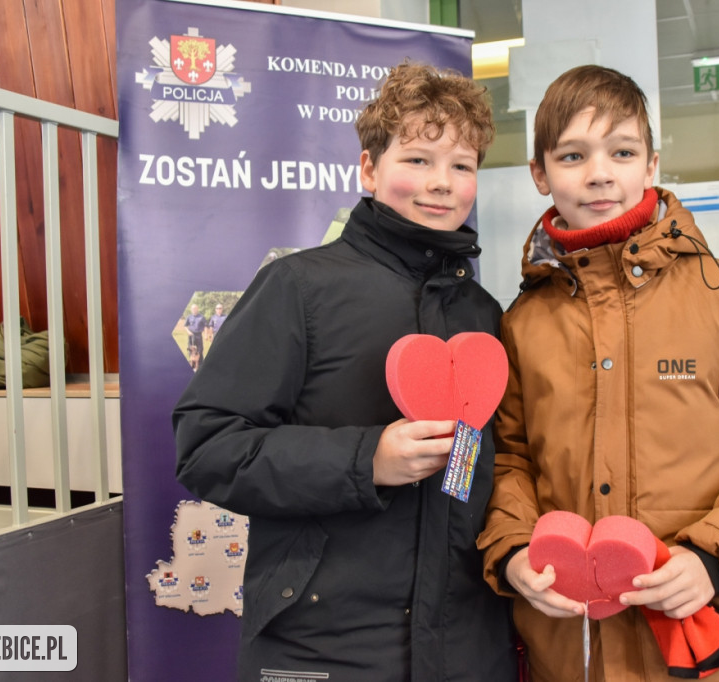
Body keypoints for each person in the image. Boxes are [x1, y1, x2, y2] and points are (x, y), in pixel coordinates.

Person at [475, 64, 719, 682]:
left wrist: (713, 557)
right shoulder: (523, 321)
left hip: (697, 641)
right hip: (568, 647)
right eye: (572, 155)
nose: (599, 174)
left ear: (651, 164)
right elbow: (509, 462)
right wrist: (510, 552)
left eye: (622, 151)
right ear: (540, 173)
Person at [173, 61, 518, 680]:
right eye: (417, 159)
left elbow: (484, 467)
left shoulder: (482, 313)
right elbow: (208, 446)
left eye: (461, 166)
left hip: (465, 645)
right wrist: (368, 461)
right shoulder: (298, 287)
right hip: (322, 645)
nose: (442, 183)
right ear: (369, 168)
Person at [183, 303, 206, 370]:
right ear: (191, 309)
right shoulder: (189, 317)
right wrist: (188, 332)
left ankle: (201, 365)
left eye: (195, 308)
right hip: (191, 335)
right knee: (190, 349)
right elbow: (185, 326)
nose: (194, 310)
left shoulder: (201, 317)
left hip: (198, 335)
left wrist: (205, 335)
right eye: (193, 308)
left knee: (200, 349)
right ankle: (192, 365)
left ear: (197, 309)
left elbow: (205, 326)